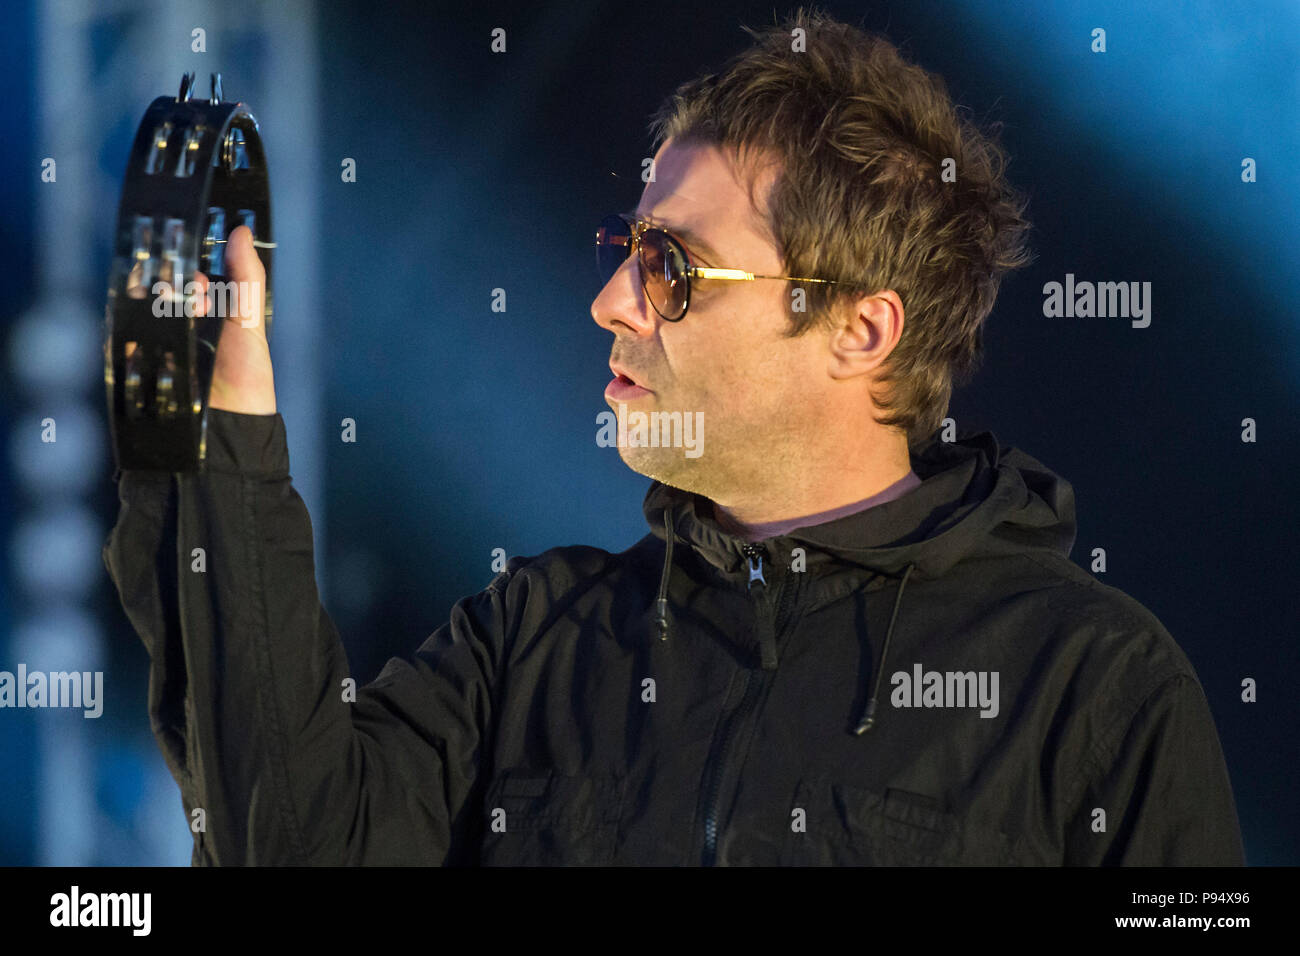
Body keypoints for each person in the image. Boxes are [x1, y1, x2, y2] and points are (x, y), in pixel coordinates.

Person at [104, 8, 1245, 865]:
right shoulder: (538, 635)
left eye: (671, 266)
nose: (610, 297)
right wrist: (214, 444)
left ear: (859, 328)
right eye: (626, 244)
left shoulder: (1091, 687)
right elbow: (293, 841)